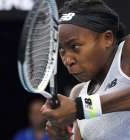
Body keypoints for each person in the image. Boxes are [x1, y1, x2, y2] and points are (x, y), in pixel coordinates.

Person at [40, 0, 130, 139]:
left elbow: (82, 107)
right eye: (61, 50)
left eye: (75, 46)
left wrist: (81, 108)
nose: (67, 60)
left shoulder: (127, 51)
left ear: (107, 38)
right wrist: (63, 137)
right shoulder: (77, 93)